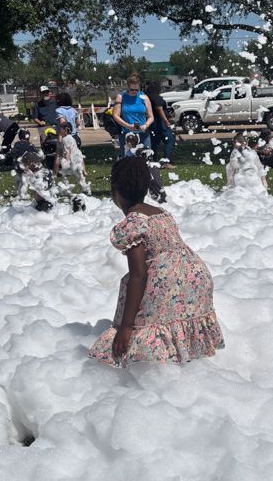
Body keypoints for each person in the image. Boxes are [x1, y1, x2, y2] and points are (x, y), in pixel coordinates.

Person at [88, 157, 224, 366]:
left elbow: (139, 275)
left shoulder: (132, 223)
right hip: (195, 277)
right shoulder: (162, 214)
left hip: (166, 282)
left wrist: (126, 326)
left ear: (114, 191)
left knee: (138, 342)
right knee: (177, 328)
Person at [112, 74, 154, 158]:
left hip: (143, 133)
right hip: (127, 134)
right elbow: (115, 115)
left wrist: (146, 125)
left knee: (146, 159)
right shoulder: (121, 97)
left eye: (136, 90)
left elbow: (151, 117)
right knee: (127, 160)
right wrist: (127, 126)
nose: (134, 92)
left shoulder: (144, 97)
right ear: (128, 87)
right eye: (132, 90)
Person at [56, 121, 91, 194]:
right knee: (80, 176)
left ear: (66, 130)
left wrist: (66, 161)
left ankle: (65, 190)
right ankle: (86, 190)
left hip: (72, 160)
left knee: (64, 173)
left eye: (60, 129)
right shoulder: (71, 137)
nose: (59, 131)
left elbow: (68, 151)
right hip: (78, 157)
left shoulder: (65, 139)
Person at [145, 80, 176, 162]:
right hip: (160, 122)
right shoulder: (156, 97)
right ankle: (167, 161)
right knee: (170, 140)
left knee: (155, 142)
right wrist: (166, 120)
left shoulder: (147, 97)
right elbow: (159, 108)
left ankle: (154, 160)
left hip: (152, 123)